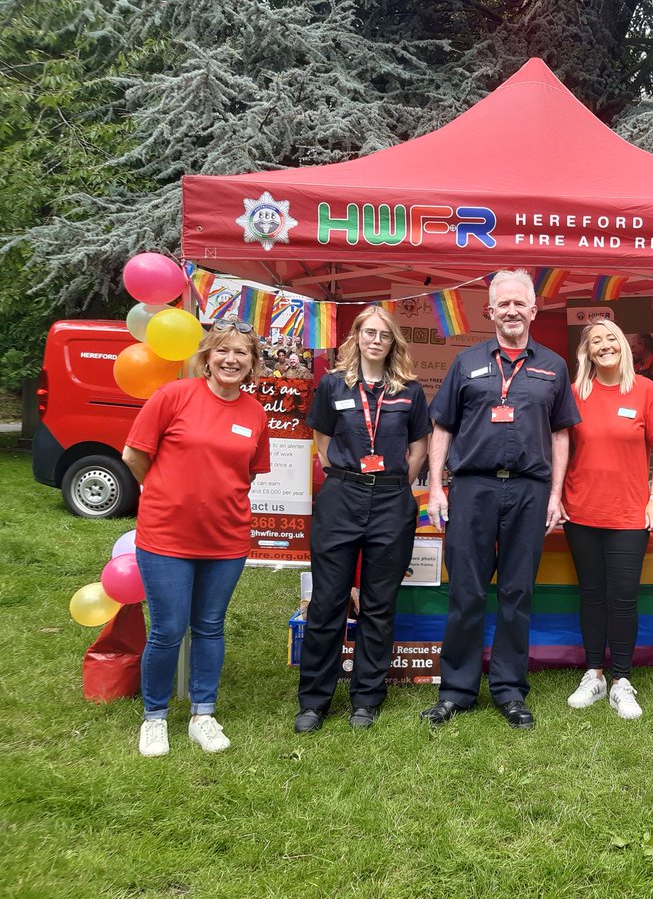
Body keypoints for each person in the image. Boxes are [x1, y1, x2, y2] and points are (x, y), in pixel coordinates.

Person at [421, 270, 580, 729]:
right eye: (502, 304)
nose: (511, 311)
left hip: (530, 491)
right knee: (466, 591)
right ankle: (456, 690)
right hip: (472, 488)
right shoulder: (466, 363)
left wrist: (555, 494)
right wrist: (435, 487)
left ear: (534, 309)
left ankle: (510, 691)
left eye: (519, 303)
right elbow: (442, 428)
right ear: (489, 311)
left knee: (517, 592)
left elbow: (560, 433)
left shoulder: (553, 365)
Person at [122, 320, 271, 757]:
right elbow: (134, 454)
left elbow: (246, 473)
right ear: (206, 357)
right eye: (222, 351)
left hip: (225, 540)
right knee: (167, 630)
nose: (231, 359)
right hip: (165, 537)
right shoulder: (173, 396)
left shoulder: (254, 413)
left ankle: (203, 714)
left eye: (241, 353)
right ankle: (155, 718)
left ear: (252, 363)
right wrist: (165, 490)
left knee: (209, 627)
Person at [294, 308, 431, 732]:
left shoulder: (410, 390)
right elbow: (323, 443)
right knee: (328, 601)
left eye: (384, 335)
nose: (376, 340)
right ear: (356, 337)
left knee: (378, 604)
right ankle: (314, 701)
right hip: (342, 496)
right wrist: (352, 476)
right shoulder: (333, 384)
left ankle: (366, 698)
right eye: (369, 332)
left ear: (393, 343)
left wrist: (389, 484)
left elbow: (419, 450)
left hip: (391, 499)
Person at [560, 320, 653, 720]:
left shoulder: (646, 390)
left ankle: (622, 680)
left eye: (612, 338)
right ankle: (594, 675)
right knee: (591, 594)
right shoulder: (574, 394)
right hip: (581, 511)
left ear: (625, 347)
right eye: (596, 341)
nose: (605, 346)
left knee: (623, 598)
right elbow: (560, 450)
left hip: (629, 512)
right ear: (587, 352)